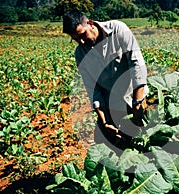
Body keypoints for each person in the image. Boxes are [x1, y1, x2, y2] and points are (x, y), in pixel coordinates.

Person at [63, 10, 148, 148]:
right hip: (111, 105)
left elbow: (136, 64)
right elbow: (92, 87)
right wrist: (103, 120)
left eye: (82, 35)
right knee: (107, 148)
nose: (81, 41)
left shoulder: (118, 29)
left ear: (90, 24)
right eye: (76, 39)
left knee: (144, 143)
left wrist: (137, 102)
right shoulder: (80, 53)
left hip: (134, 97)